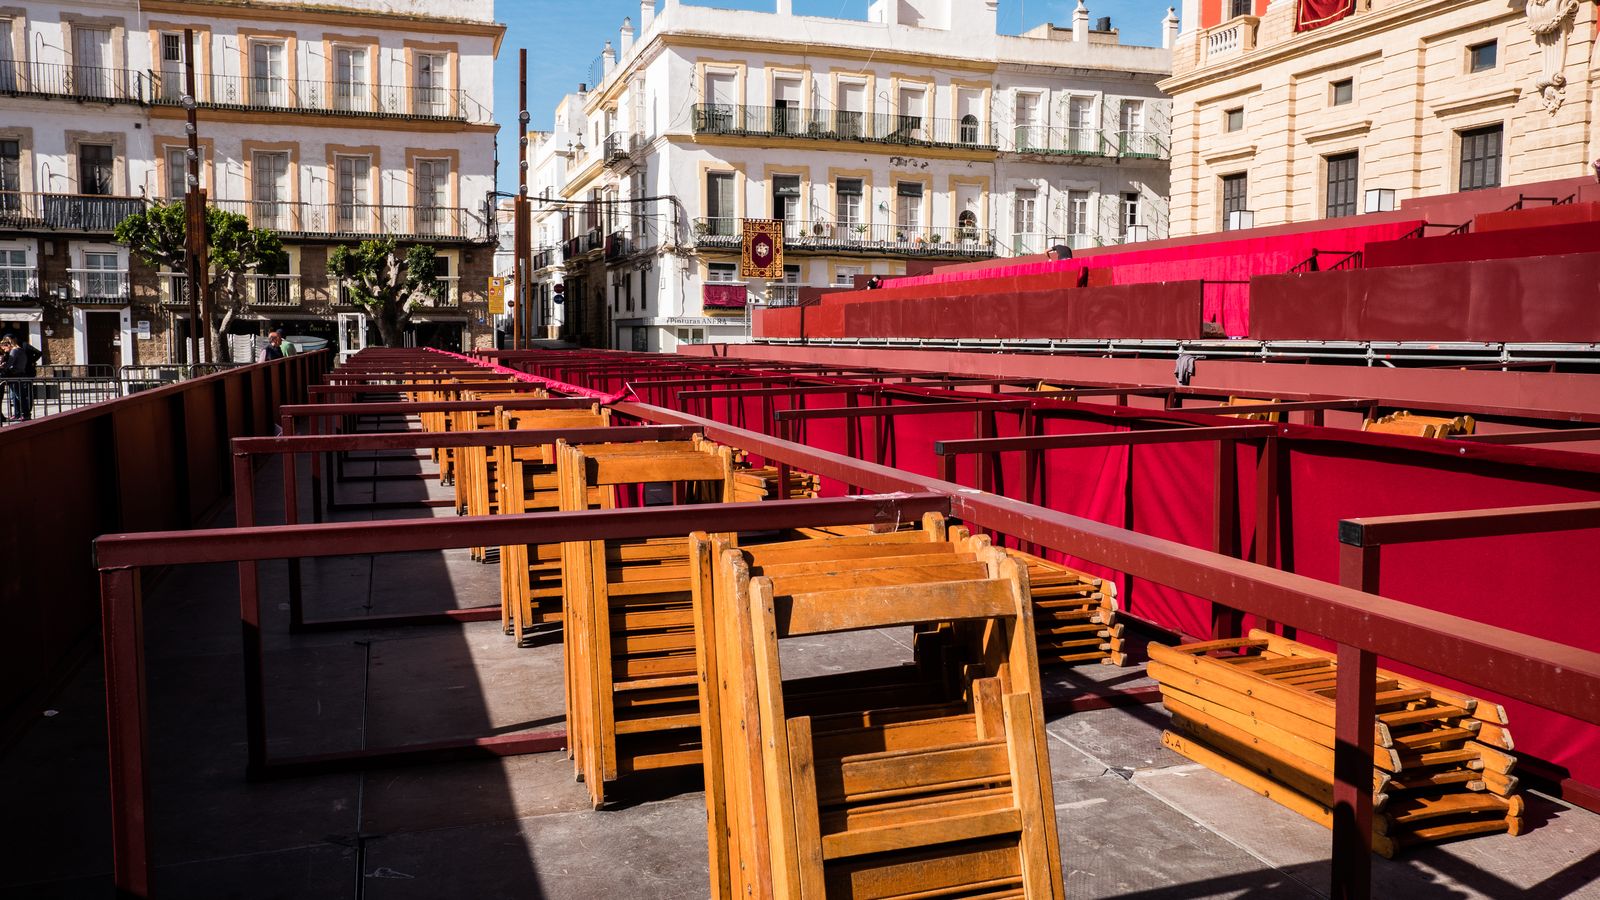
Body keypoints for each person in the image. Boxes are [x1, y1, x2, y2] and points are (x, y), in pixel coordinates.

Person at [0, 332, 40, 422]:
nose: (5, 351)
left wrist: (3, 365)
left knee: (19, 396)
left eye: (4, 348)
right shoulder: (20, 350)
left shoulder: (14, 351)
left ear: (8, 344)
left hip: (16, 375)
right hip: (20, 374)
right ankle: (18, 414)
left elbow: (9, 364)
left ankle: (25, 415)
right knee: (16, 396)